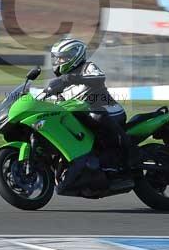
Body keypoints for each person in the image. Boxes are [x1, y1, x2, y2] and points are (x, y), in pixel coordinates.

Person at [44, 37, 132, 174]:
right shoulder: (60, 83)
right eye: (56, 59)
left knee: (95, 115)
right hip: (85, 118)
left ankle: (127, 153)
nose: (57, 62)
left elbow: (99, 78)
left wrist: (72, 78)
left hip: (110, 111)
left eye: (61, 58)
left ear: (74, 56)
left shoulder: (87, 67)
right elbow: (59, 108)